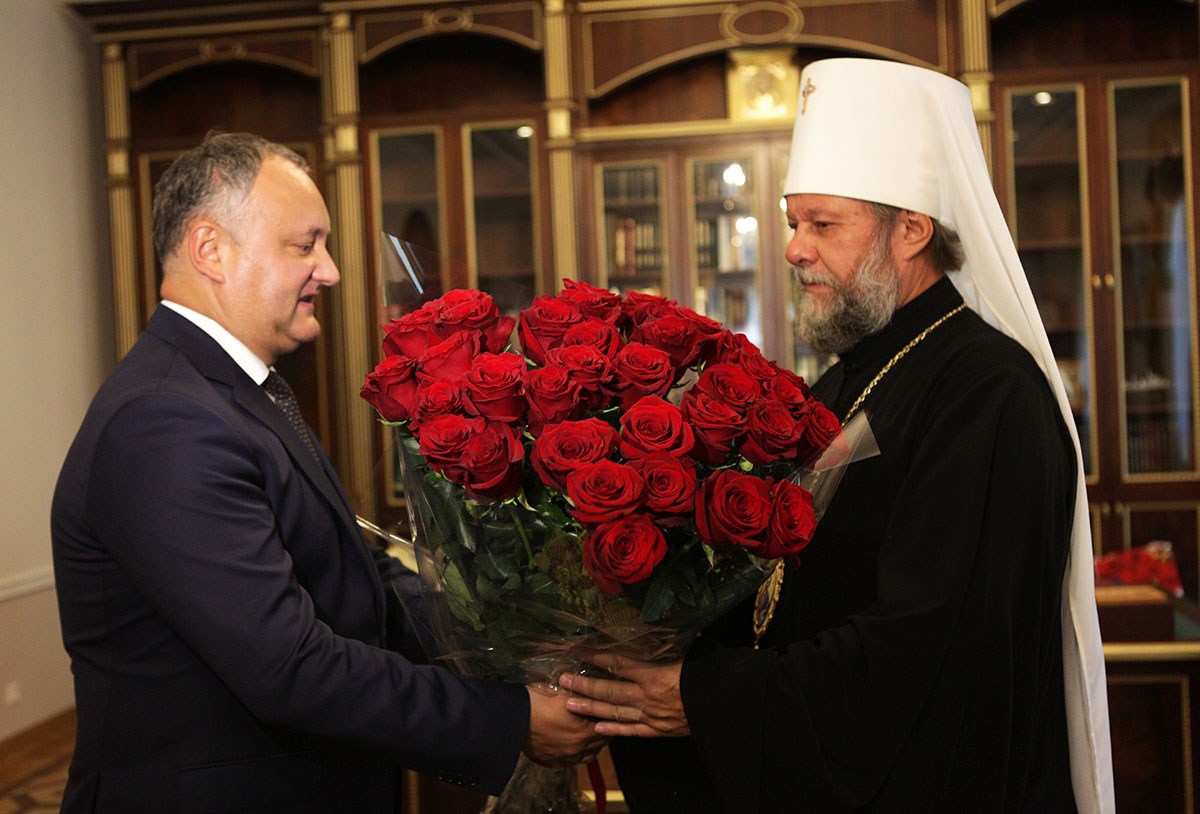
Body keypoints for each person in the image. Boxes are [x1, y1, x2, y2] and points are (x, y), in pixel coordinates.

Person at [560, 58, 1114, 812]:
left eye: (823, 225)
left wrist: (704, 697)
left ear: (911, 230)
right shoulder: (845, 381)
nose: (795, 248)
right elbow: (788, 586)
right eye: (794, 223)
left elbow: (932, 652)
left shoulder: (988, 395)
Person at [50, 131, 605, 813]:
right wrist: (508, 720)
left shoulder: (236, 391)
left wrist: (513, 640)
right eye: (305, 245)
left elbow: (355, 577)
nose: (332, 271)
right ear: (210, 251)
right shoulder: (165, 419)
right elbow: (288, 666)